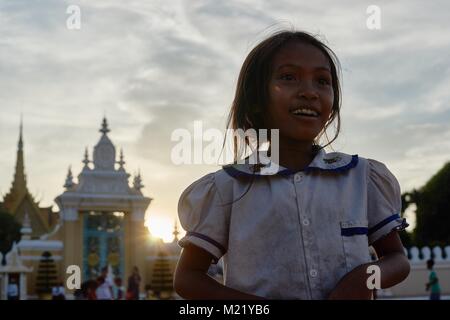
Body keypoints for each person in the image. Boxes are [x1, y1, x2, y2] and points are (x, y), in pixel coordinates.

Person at [173, 30, 411, 300]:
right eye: (288, 77)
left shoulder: (361, 178)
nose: (309, 92)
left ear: (333, 105)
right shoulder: (227, 188)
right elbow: (188, 278)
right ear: (256, 99)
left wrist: (365, 278)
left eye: (322, 81)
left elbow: (397, 259)